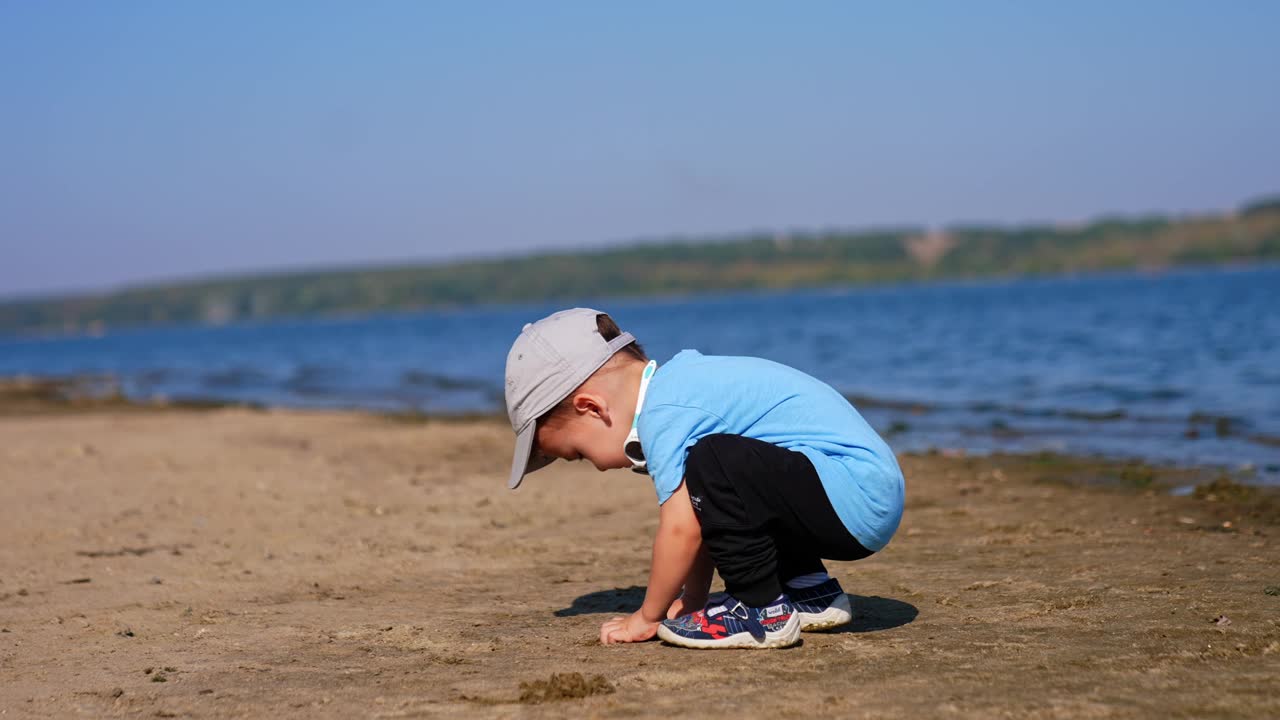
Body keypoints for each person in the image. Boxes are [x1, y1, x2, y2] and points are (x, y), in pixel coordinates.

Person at [504, 308, 904, 649]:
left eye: (577, 454)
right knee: (722, 470)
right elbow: (707, 515)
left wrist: (647, 617)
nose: (596, 466)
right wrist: (694, 599)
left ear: (592, 407)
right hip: (859, 494)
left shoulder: (665, 412)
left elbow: (682, 531)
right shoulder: (679, 391)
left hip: (853, 497)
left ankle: (761, 612)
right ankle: (809, 590)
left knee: (713, 461)